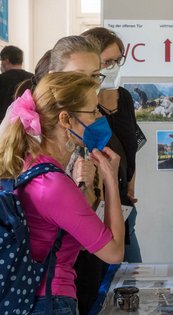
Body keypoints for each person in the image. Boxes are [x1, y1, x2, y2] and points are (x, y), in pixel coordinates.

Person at [0, 71, 124, 315]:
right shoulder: (53, 184)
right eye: (94, 112)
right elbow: (114, 252)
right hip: (51, 301)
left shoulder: (29, 165)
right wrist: (111, 180)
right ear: (66, 119)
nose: (100, 118)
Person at [82, 27, 143, 263]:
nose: (114, 67)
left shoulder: (124, 98)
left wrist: (130, 184)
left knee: (132, 276)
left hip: (125, 206)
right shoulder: (82, 104)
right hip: (93, 208)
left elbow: (131, 146)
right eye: (108, 62)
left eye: (118, 60)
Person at [0, 45, 33, 121]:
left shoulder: (1, 79)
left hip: (4, 127)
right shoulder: (33, 78)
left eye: (1, 60)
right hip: (28, 125)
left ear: (6, 61)